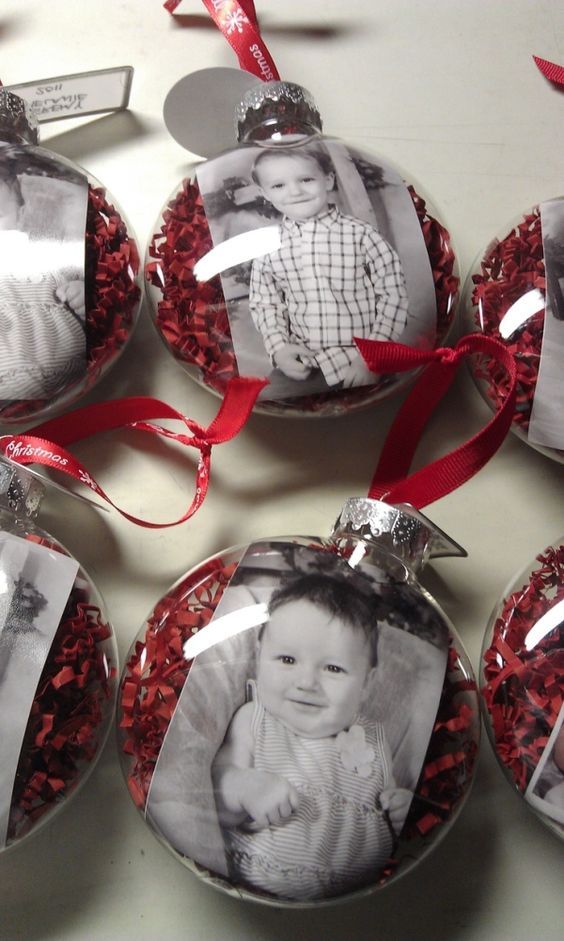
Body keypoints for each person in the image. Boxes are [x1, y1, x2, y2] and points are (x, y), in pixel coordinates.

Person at [212, 572, 412, 901]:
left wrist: (401, 808)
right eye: (287, 659)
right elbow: (216, 787)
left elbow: (384, 802)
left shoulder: (375, 738)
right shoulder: (256, 720)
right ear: (259, 657)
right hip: (260, 888)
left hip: (358, 900)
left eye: (333, 668)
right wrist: (244, 786)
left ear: (366, 684)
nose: (307, 682)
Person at [248, 145, 409, 390]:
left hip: (360, 358)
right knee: (268, 398)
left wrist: (373, 355)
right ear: (265, 193)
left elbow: (393, 294)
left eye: (306, 179)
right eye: (279, 185)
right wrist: (279, 348)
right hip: (305, 363)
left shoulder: (361, 234)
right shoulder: (268, 248)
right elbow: (265, 303)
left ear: (328, 180)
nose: (295, 191)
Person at [0, 171, 86, 403]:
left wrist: (81, 293)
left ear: (20, 216)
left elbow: (79, 278)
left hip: (66, 362)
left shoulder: (45, 253)